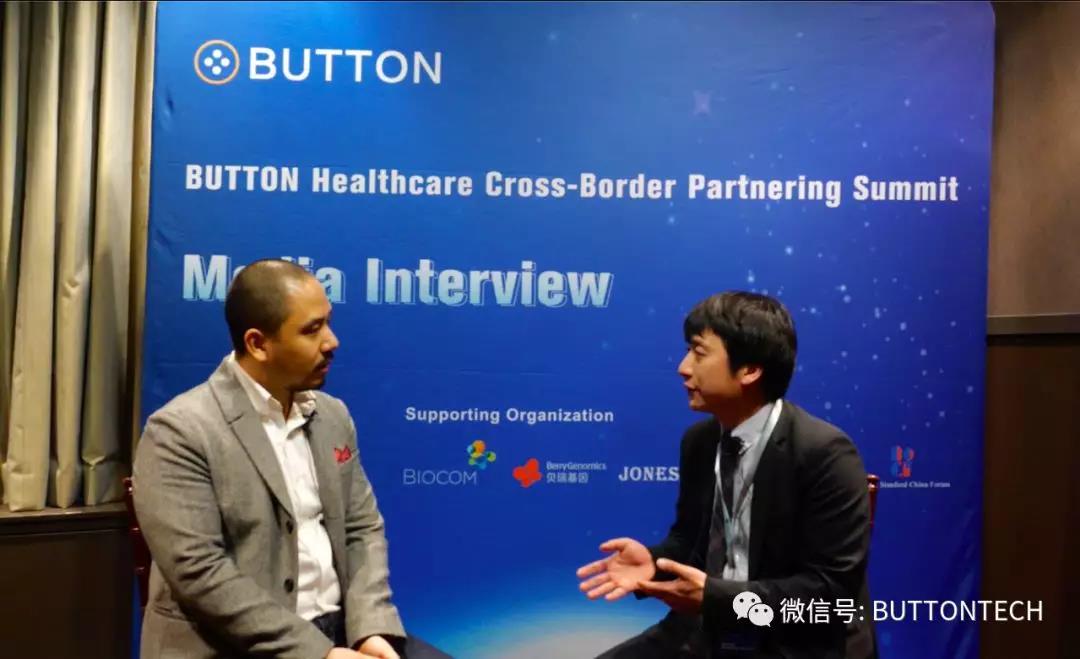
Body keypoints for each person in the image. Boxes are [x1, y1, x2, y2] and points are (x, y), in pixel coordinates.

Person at [134, 259, 447, 659]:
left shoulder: (332, 416)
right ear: (258, 344)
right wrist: (320, 654)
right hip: (233, 645)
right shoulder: (179, 431)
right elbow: (200, 573)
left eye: (328, 323)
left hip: (342, 632)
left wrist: (370, 629)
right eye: (312, 330)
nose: (332, 341)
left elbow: (362, 528)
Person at [577, 291, 876, 658]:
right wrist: (652, 563)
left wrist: (718, 599)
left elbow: (829, 594)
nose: (683, 367)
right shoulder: (699, 442)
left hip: (791, 643)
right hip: (709, 632)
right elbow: (689, 542)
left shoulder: (824, 453)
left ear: (749, 370)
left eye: (699, 353)